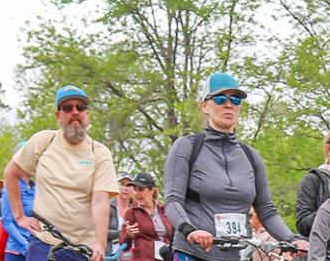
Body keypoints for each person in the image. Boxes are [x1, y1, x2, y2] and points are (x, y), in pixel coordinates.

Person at [164, 72, 306, 261]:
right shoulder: (187, 147)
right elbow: (173, 200)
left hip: (238, 254)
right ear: (205, 106)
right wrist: (190, 230)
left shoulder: (251, 156)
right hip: (194, 253)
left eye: (236, 99)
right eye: (221, 98)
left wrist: (294, 240)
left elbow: (267, 210)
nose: (229, 104)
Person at [4, 84, 119, 261]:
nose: (75, 112)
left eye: (80, 107)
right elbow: (11, 173)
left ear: (87, 114)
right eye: (67, 108)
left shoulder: (99, 152)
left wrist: (100, 243)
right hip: (44, 244)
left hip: (82, 248)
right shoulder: (44, 141)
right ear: (58, 115)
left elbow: (100, 201)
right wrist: (20, 217)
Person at [120, 172, 172, 261]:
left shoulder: (164, 210)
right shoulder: (131, 212)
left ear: (151, 190)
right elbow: (123, 244)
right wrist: (129, 235)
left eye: (141, 189)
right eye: (135, 189)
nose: (136, 194)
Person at [0, 149, 35, 261]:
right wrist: (26, 245)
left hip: (35, 248)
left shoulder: (35, 188)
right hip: (17, 252)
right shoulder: (10, 188)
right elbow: (7, 222)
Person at [110, 172, 135, 248]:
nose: (125, 188)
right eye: (122, 184)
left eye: (129, 185)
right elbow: (100, 232)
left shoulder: (136, 209)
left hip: (132, 253)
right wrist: (124, 233)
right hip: (110, 253)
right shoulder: (107, 206)